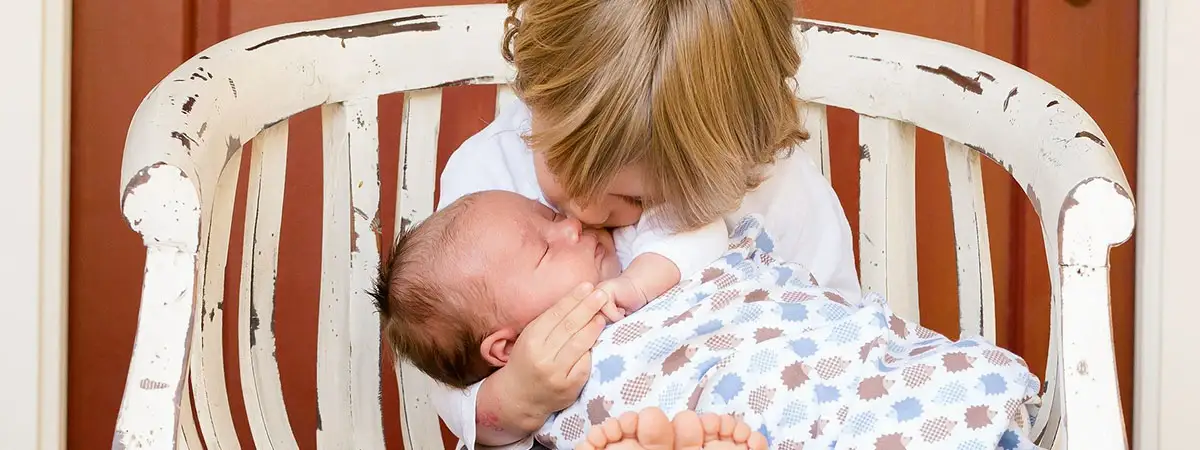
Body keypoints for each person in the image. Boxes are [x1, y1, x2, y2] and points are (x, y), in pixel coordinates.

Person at [379, 0, 861, 447]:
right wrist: (514, 398)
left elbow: (840, 331)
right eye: (564, 168)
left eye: (636, 197)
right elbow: (451, 364)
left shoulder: (775, 189)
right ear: (534, 95)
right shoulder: (486, 182)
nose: (584, 217)